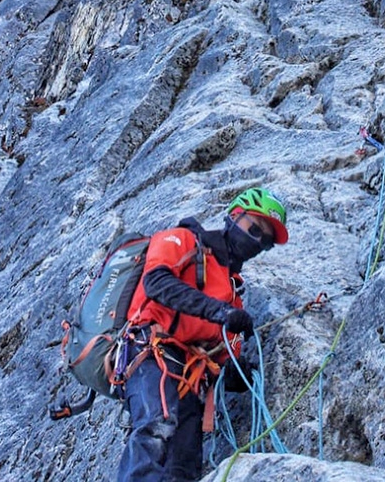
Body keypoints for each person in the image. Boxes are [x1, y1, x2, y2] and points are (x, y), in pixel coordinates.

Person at [116, 187, 289, 482]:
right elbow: (157, 282)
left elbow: (223, 360)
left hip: (190, 376)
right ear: (234, 216)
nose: (257, 241)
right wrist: (220, 313)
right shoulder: (183, 239)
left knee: (183, 464)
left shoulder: (233, 293)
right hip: (150, 351)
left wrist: (247, 372)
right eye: (254, 229)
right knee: (156, 427)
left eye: (266, 241)